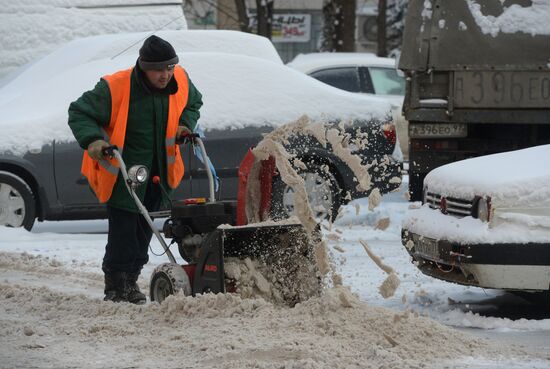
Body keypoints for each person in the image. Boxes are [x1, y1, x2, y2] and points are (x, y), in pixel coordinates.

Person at [68, 35, 203, 304]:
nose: (165, 75)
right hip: (122, 171)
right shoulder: (115, 87)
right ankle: (117, 285)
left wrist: (184, 124)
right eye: (158, 70)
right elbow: (79, 112)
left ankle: (131, 280)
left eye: (169, 68)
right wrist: (94, 141)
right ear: (143, 66)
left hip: (159, 171)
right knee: (124, 229)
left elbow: (193, 103)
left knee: (144, 226)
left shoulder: (182, 81)